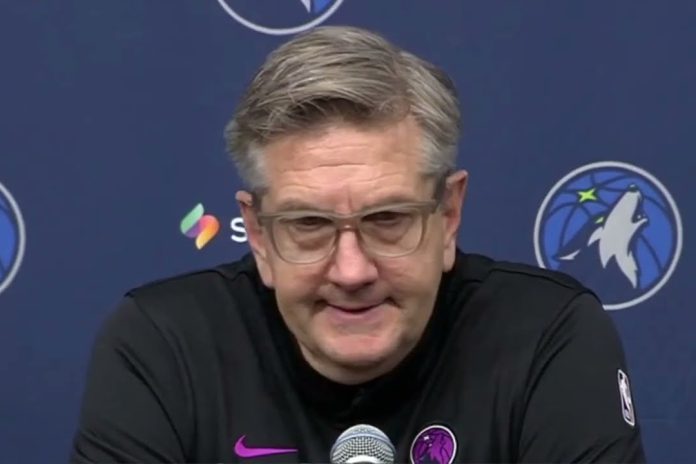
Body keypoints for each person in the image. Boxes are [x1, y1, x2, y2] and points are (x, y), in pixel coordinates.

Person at [70, 26, 646, 463]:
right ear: (260, 235)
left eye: (387, 218)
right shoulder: (162, 346)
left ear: (448, 216)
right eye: (309, 224)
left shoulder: (547, 336)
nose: (351, 271)